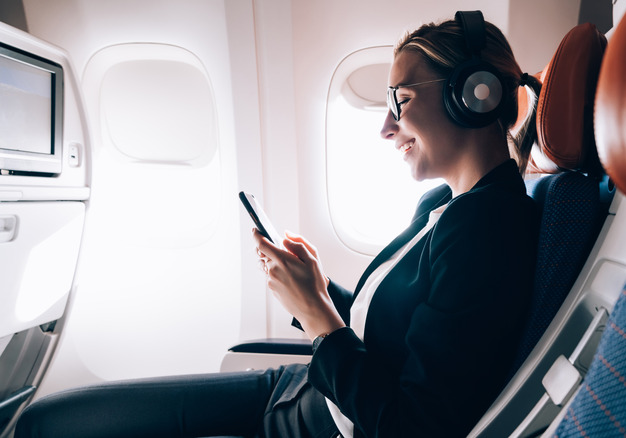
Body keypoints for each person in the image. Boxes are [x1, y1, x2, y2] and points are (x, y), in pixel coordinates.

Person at [16, 10, 541, 438]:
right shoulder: (444, 205)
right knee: (46, 420)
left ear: (475, 95)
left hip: (324, 421)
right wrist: (315, 288)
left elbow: (412, 425)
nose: (385, 128)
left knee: (46, 428)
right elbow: (396, 331)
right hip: (310, 389)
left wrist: (315, 315)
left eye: (399, 101)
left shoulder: (486, 234)